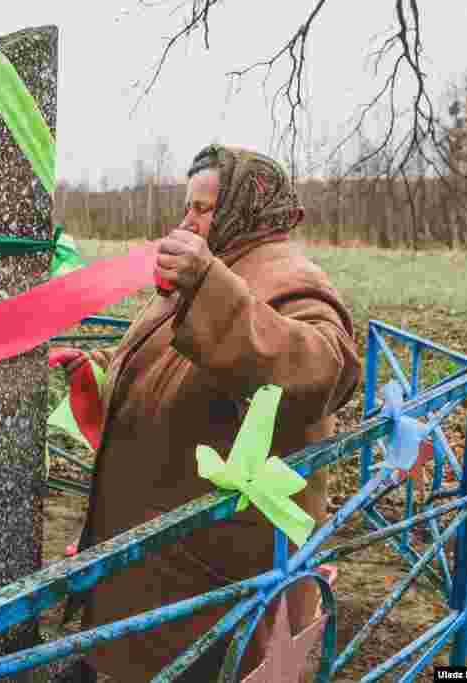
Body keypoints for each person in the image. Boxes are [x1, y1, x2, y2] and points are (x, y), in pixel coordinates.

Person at [55, 145, 361, 682]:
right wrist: (101, 368)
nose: (187, 220)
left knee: (191, 663)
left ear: (247, 207)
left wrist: (209, 287)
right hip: (161, 535)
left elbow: (325, 369)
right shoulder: (215, 262)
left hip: (212, 566)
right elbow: (169, 357)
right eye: (187, 206)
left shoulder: (293, 278)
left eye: (202, 208)